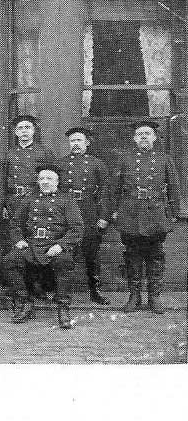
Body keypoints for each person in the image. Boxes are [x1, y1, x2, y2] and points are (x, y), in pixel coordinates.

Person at [2, 164, 83, 329]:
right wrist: (18, 240)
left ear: (57, 181)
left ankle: (63, 308)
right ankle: (24, 301)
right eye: (41, 179)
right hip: (32, 245)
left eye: (49, 178)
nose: (45, 182)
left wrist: (61, 245)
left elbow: (77, 228)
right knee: (11, 260)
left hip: (54, 245)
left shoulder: (67, 199)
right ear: (37, 181)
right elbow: (15, 224)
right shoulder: (29, 199)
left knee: (64, 262)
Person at [112, 120, 180, 314]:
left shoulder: (164, 159)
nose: (143, 136)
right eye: (140, 133)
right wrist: (114, 212)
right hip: (130, 214)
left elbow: (174, 188)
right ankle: (134, 295)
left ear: (154, 137)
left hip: (156, 214)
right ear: (134, 138)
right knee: (132, 256)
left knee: (155, 256)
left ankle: (154, 296)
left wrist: (174, 213)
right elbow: (114, 189)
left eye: (147, 133)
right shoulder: (125, 159)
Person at [2, 114, 56, 299]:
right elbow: (2, 182)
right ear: (15, 132)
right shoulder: (10, 154)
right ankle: (20, 286)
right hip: (14, 201)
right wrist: (0, 206)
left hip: (36, 201)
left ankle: (38, 284)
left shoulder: (45, 152)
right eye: (20, 128)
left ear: (34, 131)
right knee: (18, 241)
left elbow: (52, 179)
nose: (24, 131)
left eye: (27, 128)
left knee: (37, 241)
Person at [57, 127, 112, 305]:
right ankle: (63, 292)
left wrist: (104, 216)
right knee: (65, 253)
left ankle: (95, 291)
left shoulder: (97, 164)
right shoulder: (61, 164)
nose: (75, 144)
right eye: (72, 141)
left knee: (92, 254)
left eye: (79, 140)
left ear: (87, 143)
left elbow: (105, 192)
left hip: (89, 211)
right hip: (66, 212)